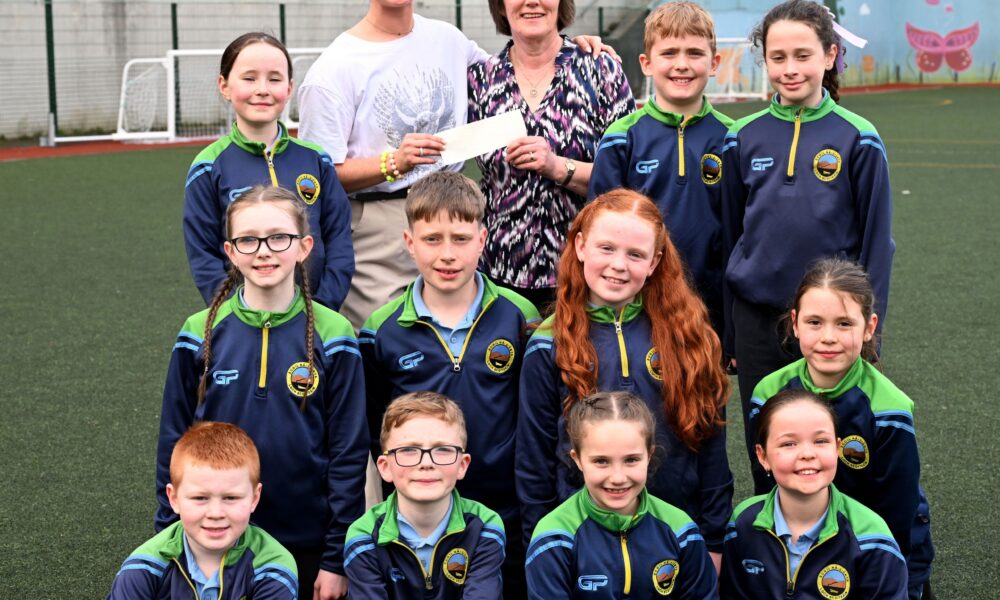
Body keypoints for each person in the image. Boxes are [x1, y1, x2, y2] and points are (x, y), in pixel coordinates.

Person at [298, 0, 608, 329]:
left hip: (457, 212)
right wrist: (393, 163)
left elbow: (517, 67)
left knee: (461, 338)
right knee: (392, 337)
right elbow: (317, 175)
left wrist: (570, 47)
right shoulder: (333, 69)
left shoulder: (447, 39)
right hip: (383, 228)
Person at [157, 185, 368, 600]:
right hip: (216, 540)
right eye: (248, 240)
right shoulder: (198, 332)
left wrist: (336, 557)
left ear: (304, 247)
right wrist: (169, 539)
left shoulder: (335, 334)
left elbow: (348, 452)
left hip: (308, 542)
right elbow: (172, 444)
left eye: (278, 238)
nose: (264, 251)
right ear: (230, 252)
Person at [720, 0, 895, 478]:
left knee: (829, 445)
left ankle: (835, 526)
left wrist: (869, 331)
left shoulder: (859, 138)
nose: (790, 69)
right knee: (767, 443)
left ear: (830, 55)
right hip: (757, 321)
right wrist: (731, 331)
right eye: (778, 57)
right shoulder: (741, 137)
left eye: (803, 55)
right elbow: (732, 237)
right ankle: (769, 525)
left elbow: (877, 243)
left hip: (828, 323)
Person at [517, 189, 732, 572]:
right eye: (607, 248)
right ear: (580, 246)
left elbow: (712, 444)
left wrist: (713, 540)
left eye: (635, 254)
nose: (618, 265)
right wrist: (543, 544)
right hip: (582, 545)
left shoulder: (690, 337)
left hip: (676, 537)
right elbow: (534, 461)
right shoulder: (549, 344)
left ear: (655, 262)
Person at [359, 171, 538, 597]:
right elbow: (374, 428)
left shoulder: (519, 315)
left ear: (482, 239)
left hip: (505, 510)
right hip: (420, 514)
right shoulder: (380, 330)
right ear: (409, 242)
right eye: (432, 239)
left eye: (460, 239)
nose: (447, 254)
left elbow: (533, 414)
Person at [748, 258, 934, 599]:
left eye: (844, 323)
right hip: (804, 542)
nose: (828, 338)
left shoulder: (889, 408)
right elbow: (768, 483)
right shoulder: (767, 394)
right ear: (795, 324)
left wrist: (896, 573)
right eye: (814, 322)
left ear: (869, 327)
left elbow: (898, 507)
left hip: (877, 544)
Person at [468, 0, 636, 312]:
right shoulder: (479, 80)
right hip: (498, 275)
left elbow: (628, 177)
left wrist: (558, 167)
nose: (532, 2)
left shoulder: (600, 70)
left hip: (586, 273)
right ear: (501, 6)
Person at [588, 1, 731, 338]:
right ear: (647, 63)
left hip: (711, 309)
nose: (682, 64)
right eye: (669, 53)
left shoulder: (733, 138)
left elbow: (739, 232)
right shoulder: (622, 138)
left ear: (714, 63)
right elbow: (600, 228)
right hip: (639, 306)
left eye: (694, 53)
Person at [184, 32, 353, 311]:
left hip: (316, 315)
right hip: (243, 320)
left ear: (289, 88)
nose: (262, 89)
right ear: (224, 86)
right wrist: (235, 314)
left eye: (274, 79)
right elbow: (203, 256)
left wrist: (323, 307)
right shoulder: (208, 167)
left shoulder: (316, 160)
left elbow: (339, 242)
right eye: (249, 78)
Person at [525, 391, 718, 599]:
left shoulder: (681, 530)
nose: (618, 478)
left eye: (631, 460)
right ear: (577, 459)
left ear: (649, 455)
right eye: (601, 461)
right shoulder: (554, 538)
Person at [721, 389, 907, 599]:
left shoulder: (871, 537)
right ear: (762, 456)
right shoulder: (743, 523)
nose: (808, 454)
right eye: (789, 444)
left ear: (837, 448)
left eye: (820, 441)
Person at [109, 422, 298, 599]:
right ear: (174, 499)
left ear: (254, 499)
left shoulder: (273, 568)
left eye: (231, 498)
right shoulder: (143, 568)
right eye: (200, 498)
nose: (215, 513)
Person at [344, 392, 506, 599]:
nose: (426, 463)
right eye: (408, 450)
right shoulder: (363, 535)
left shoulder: (484, 526)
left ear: (462, 465)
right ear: (385, 467)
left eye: (443, 449)